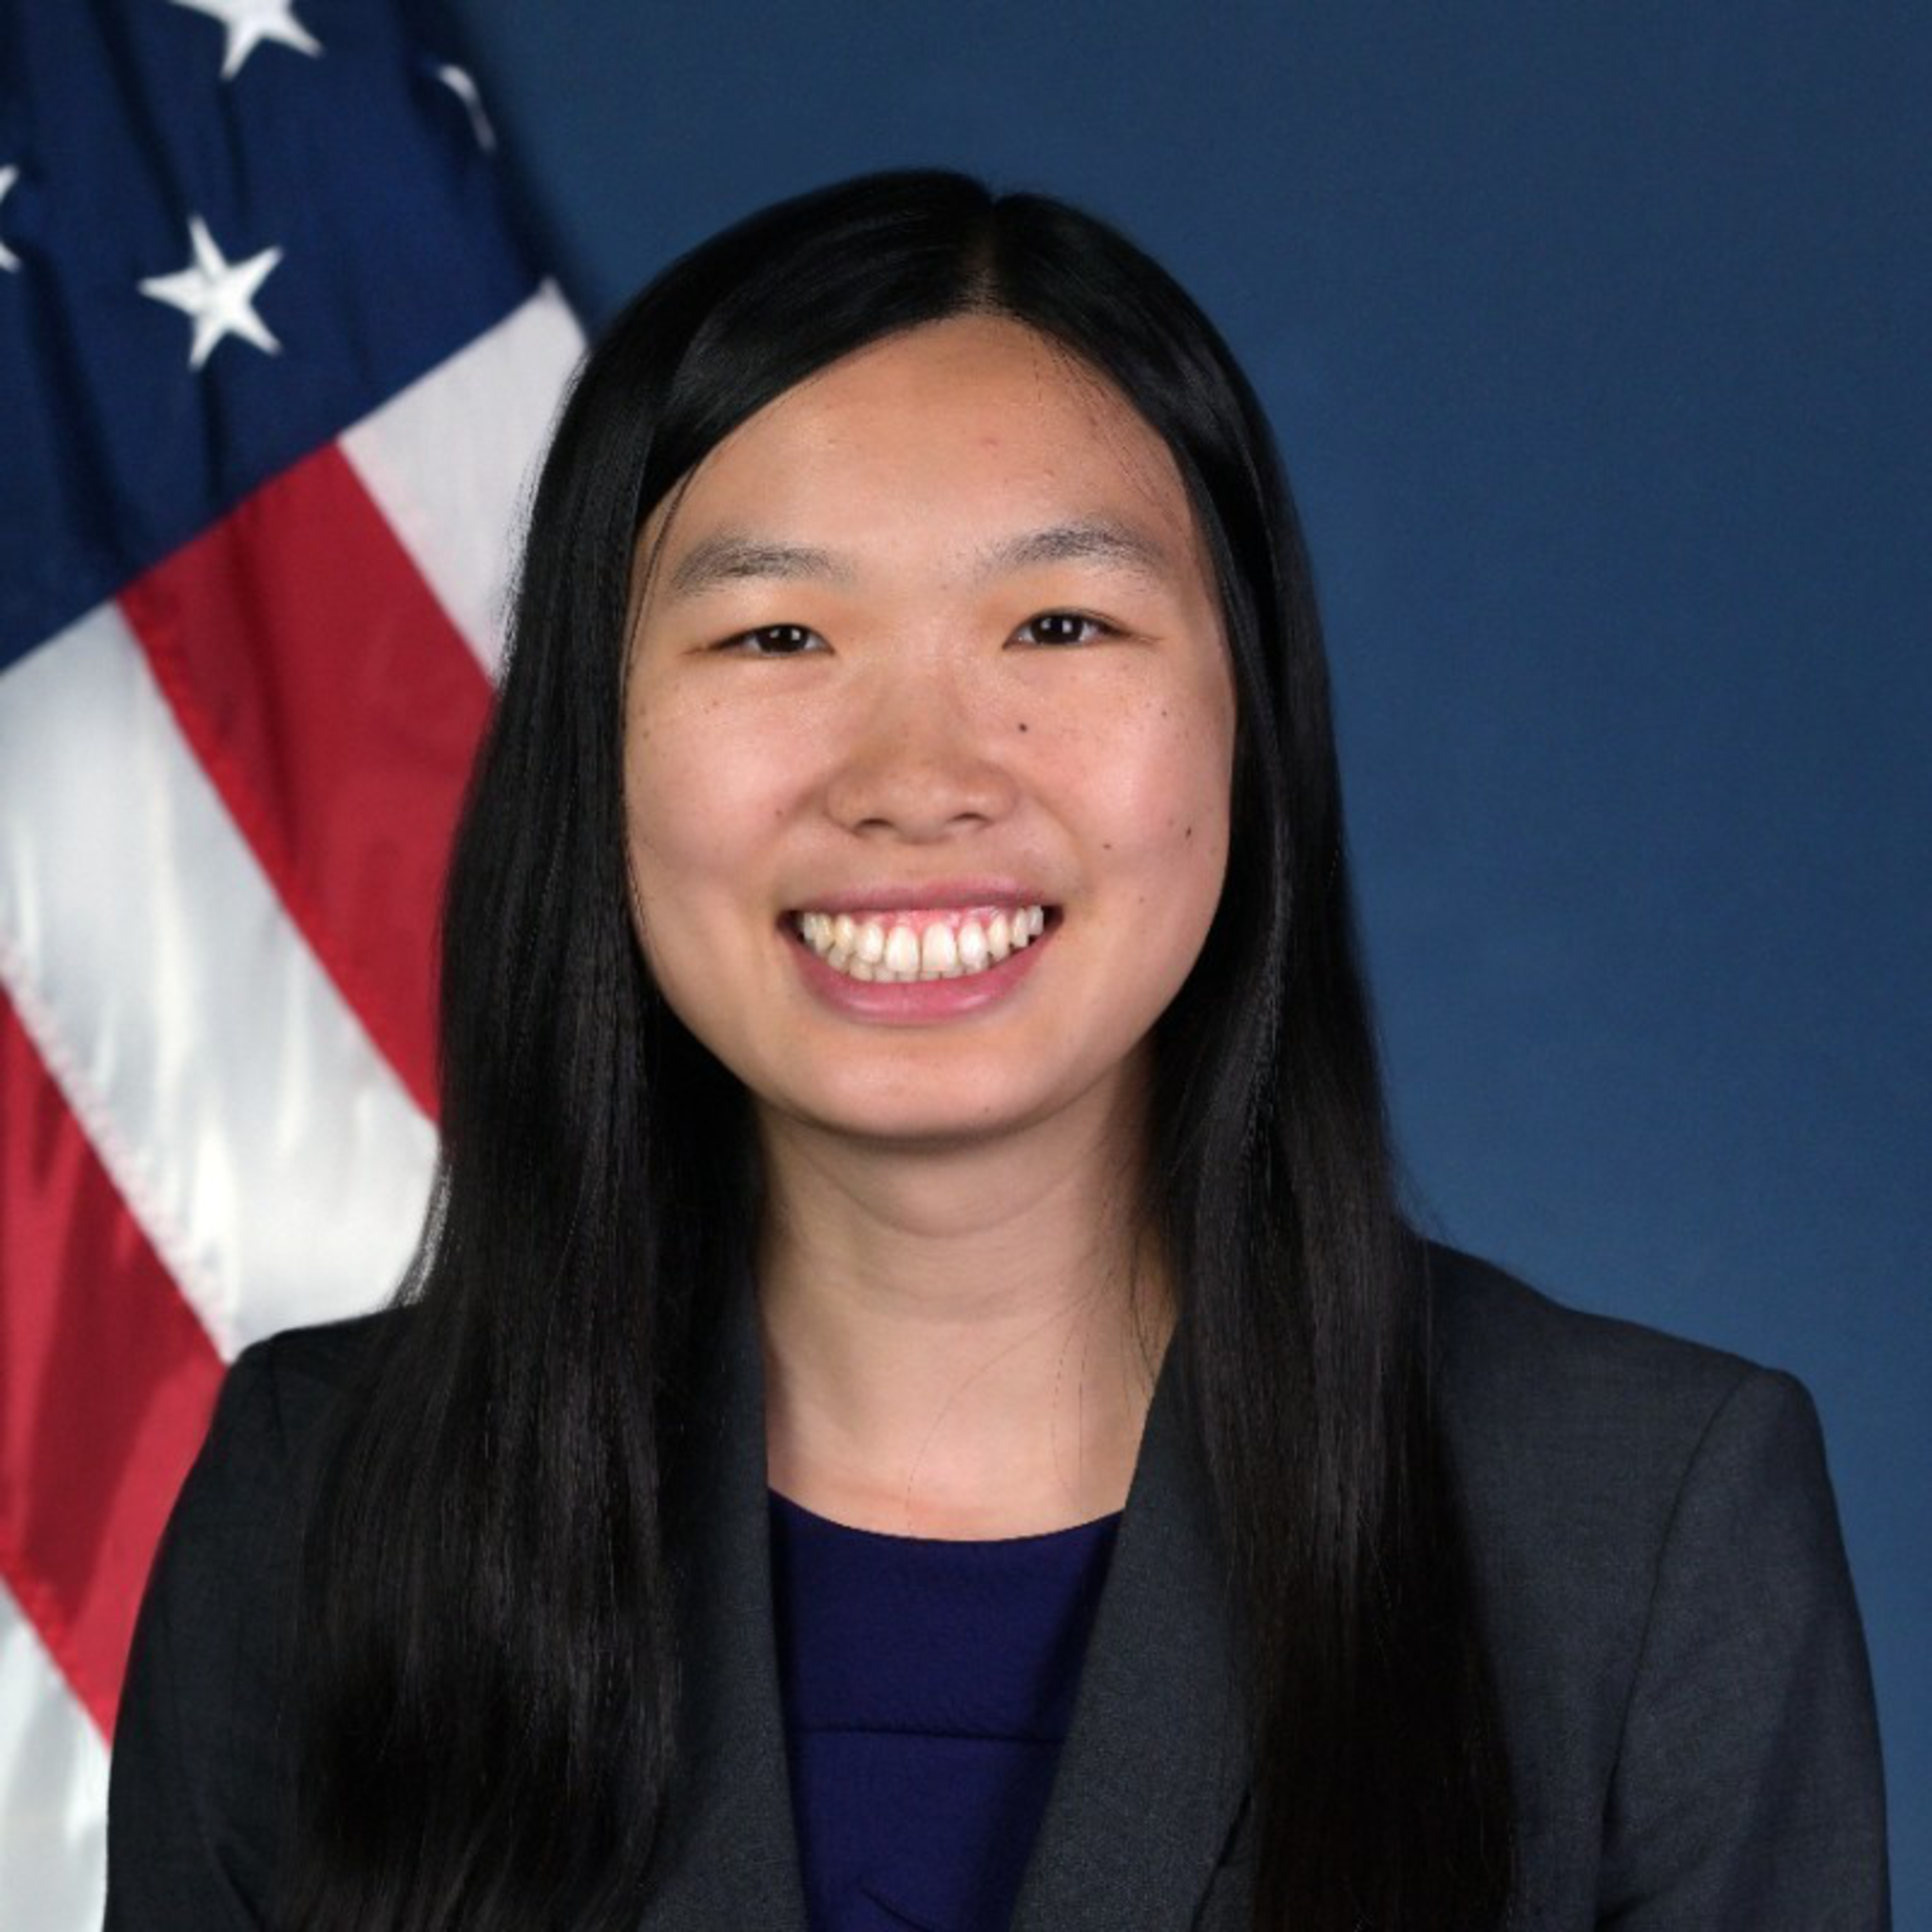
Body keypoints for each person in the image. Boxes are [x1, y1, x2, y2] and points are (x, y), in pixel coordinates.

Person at [103, 170, 1889, 1932]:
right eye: (777, 633)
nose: (917, 775)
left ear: (1248, 732)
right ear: (599, 748)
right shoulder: (325, 1505)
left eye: (1060, 624)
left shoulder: (1641, 1524)